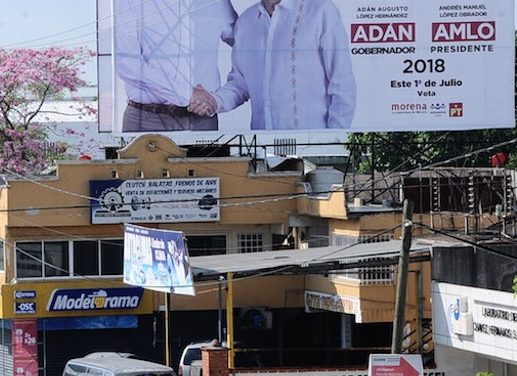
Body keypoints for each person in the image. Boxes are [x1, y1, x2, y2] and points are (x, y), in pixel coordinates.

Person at [189, 0, 356, 130]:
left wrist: (333, 143)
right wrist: (214, 101)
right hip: (262, 150)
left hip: (313, 148)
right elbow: (240, 85)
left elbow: (342, 84)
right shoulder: (247, 21)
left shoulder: (321, 11)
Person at [114, 0, 236, 132]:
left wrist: (219, 100)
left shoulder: (217, 2)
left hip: (201, 120)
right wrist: (187, 94)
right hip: (146, 120)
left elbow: (248, 45)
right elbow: (126, 63)